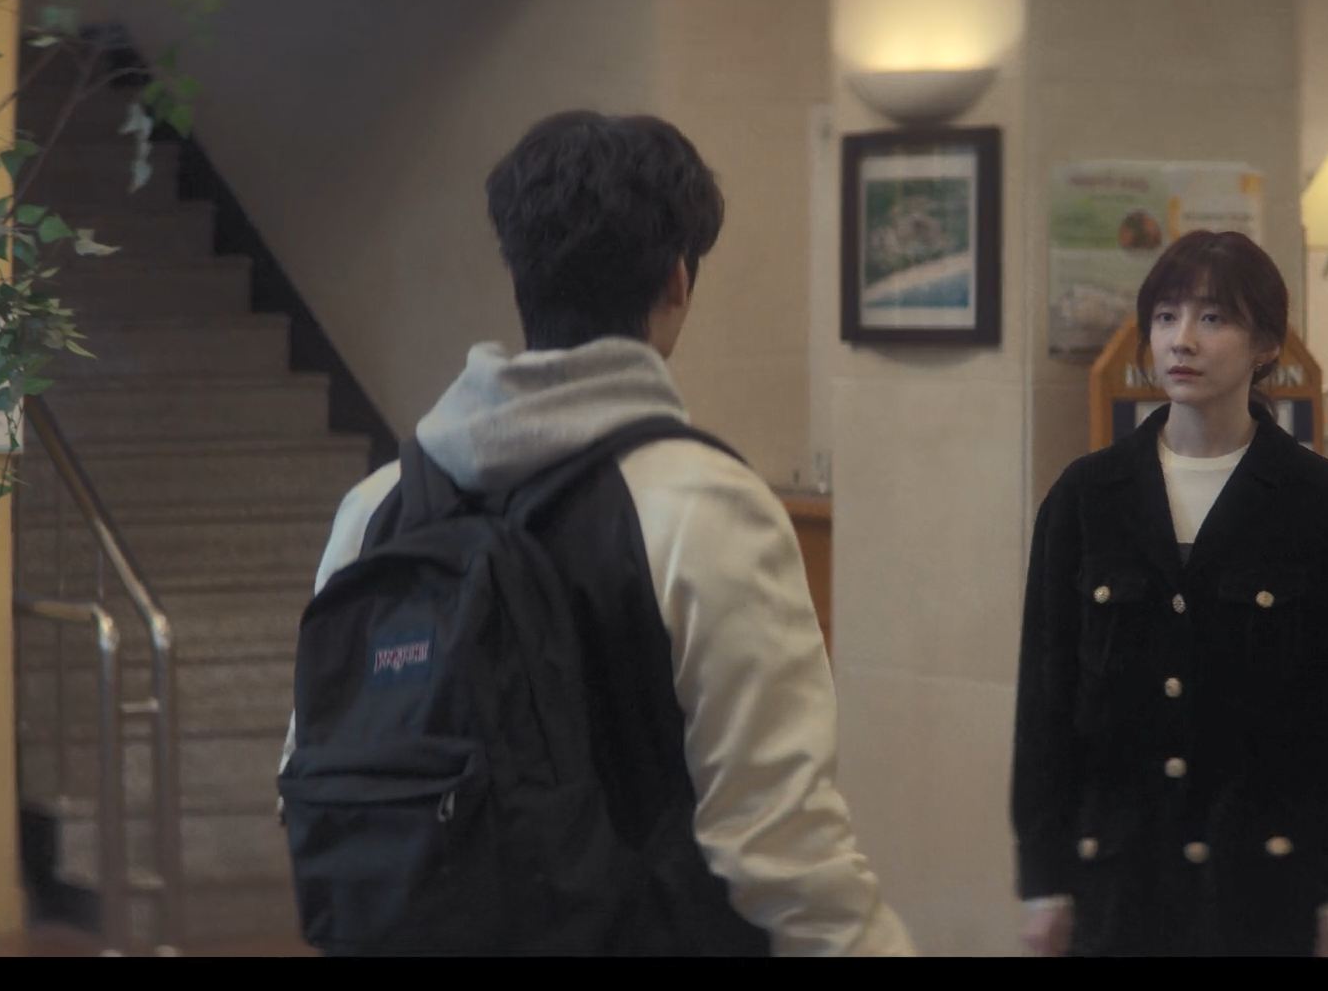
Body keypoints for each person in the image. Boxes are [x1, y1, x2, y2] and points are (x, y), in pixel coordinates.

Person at [280, 111, 913, 956]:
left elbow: (306, 776)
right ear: (677, 281)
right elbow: (780, 847)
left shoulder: (376, 509)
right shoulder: (706, 507)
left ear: (520, 275)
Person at [1012, 229, 1328, 957]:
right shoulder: (1088, 497)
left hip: (1262, 878)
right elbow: (1045, 701)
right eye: (1165, 317)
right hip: (1120, 874)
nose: (1182, 339)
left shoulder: (1322, 506)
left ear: (1266, 344)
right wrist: (1044, 878)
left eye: (1213, 318)